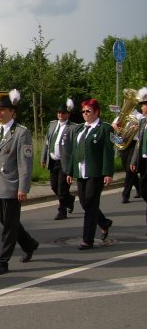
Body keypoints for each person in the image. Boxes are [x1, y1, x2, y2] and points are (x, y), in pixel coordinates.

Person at [0, 89, 39, 276]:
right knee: (6, 221)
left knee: (9, 226)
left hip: (12, 185)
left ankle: (2, 261)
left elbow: (25, 163)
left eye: (3, 109)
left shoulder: (21, 133)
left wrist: (23, 187)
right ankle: (29, 244)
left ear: (13, 112)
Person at [66, 98, 114, 250]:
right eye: (83, 111)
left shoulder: (105, 128)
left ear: (97, 112)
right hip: (81, 172)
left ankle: (88, 240)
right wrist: (70, 171)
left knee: (91, 204)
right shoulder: (79, 129)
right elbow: (74, 152)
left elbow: (108, 152)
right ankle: (104, 222)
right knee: (84, 203)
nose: (85, 114)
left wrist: (108, 172)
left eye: (88, 111)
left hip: (95, 172)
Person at [41, 99, 77, 219]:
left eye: (63, 113)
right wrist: (43, 158)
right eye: (59, 113)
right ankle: (69, 199)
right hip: (53, 160)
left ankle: (62, 211)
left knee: (62, 188)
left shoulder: (72, 127)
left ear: (68, 114)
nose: (60, 115)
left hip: (64, 162)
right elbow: (46, 142)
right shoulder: (52, 125)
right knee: (54, 186)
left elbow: (74, 148)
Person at [112, 96, 142, 203]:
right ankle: (140, 189)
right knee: (127, 168)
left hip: (134, 143)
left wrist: (136, 127)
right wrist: (119, 129)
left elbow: (141, 128)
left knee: (130, 170)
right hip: (124, 142)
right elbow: (114, 124)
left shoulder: (139, 116)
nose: (126, 104)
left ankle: (125, 194)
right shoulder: (123, 115)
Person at [130, 87, 147, 230]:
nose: (142, 107)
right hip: (144, 161)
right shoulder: (142, 122)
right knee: (144, 191)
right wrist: (134, 160)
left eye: (144, 105)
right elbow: (138, 143)